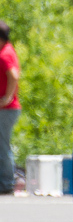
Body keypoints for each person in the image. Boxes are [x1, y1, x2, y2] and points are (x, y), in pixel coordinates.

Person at [0, 21, 21, 195]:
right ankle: (5, 181)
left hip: (7, 109)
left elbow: (14, 75)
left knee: (2, 146)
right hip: (7, 108)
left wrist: (7, 98)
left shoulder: (4, 54)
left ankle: (6, 184)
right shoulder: (7, 49)